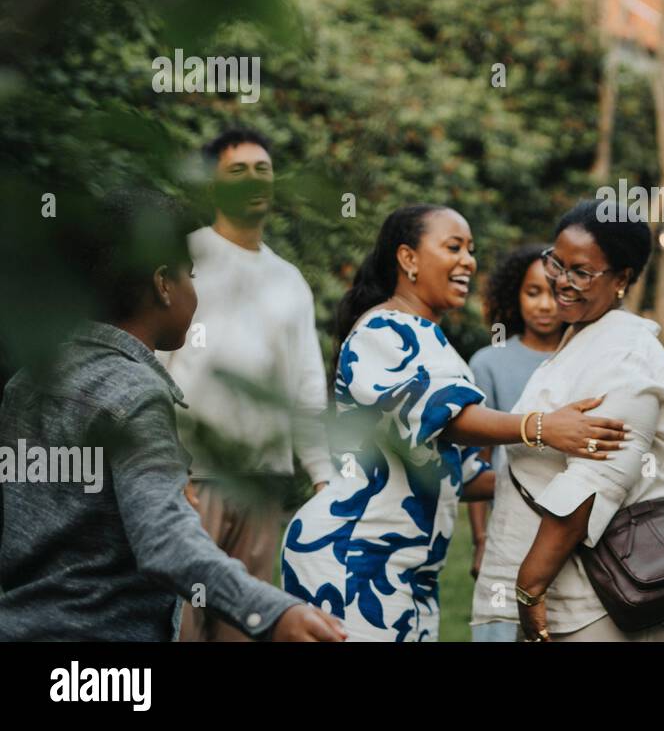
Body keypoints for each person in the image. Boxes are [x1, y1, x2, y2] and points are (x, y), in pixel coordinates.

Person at [0, 187, 345, 641]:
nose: (194, 289)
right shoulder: (135, 392)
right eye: (190, 275)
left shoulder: (26, 383)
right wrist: (270, 610)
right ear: (163, 284)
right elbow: (165, 542)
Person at [280, 204, 627, 641]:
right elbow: (446, 417)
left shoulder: (432, 338)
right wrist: (541, 427)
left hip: (407, 568)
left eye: (471, 249)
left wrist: (575, 477)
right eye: (453, 247)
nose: (468, 260)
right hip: (353, 555)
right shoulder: (384, 330)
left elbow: (462, 473)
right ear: (408, 259)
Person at [472, 200, 664, 642]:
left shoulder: (625, 354)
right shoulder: (581, 335)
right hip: (585, 593)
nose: (560, 282)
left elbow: (593, 483)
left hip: (606, 598)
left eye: (581, 272)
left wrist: (529, 587)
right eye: (556, 263)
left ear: (622, 279)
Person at [159, 128, 337, 642]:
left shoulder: (290, 280)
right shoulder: (184, 259)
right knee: (182, 628)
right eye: (238, 170)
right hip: (192, 483)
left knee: (250, 626)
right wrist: (168, 468)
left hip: (261, 485)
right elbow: (150, 365)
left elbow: (305, 386)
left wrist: (323, 476)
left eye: (263, 169)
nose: (254, 180)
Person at [467, 244, 563, 642]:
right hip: (510, 527)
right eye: (532, 292)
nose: (544, 305)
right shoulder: (488, 363)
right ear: (515, 296)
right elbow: (477, 461)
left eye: (553, 292)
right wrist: (480, 540)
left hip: (571, 527)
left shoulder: (586, 356)